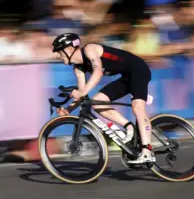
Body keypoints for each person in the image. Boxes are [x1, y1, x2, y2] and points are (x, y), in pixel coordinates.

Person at [51, 32, 155, 164]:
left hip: (139, 69)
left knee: (137, 107)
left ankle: (147, 151)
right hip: (127, 76)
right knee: (97, 102)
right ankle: (129, 127)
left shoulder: (90, 49)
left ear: (69, 49)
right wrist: (68, 109)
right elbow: (82, 93)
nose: (59, 56)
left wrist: (82, 92)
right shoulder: (78, 69)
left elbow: (98, 71)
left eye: (60, 52)